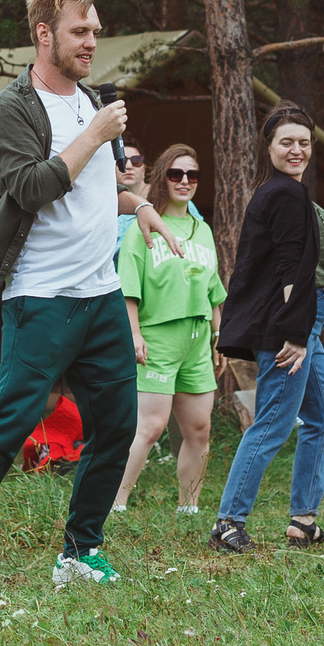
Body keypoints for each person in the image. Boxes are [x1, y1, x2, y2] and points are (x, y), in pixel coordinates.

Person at [0, 0, 181, 592]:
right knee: (11, 423)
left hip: (100, 296)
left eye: (96, 30)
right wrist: (95, 135)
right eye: (79, 31)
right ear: (45, 34)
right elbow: (31, 187)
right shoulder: (12, 109)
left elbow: (93, 191)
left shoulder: (91, 101)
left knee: (117, 425)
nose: (92, 42)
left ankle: (80, 553)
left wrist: (140, 208)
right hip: (40, 296)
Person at [210, 107, 324, 552]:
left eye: (304, 142)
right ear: (269, 148)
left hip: (305, 326)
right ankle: (228, 523)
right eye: (287, 142)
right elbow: (290, 273)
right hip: (291, 328)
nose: (297, 149)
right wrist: (295, 334)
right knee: (271, 425)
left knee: (323, 419)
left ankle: (302, 522)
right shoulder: (284, 194)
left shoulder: (287, 192)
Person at [111, 143, 224, 515]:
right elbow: (128, 285)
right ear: (163, 177)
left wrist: (218, 338)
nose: (185, 181)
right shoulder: (144, 224)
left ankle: (188, 507)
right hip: (157, 336)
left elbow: (214, 292)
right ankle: (116, 504)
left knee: (199, 429)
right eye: (176, 174)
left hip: (197, 340)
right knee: (151, 426)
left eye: (193, 175)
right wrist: (134, 334)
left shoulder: (203, 230)